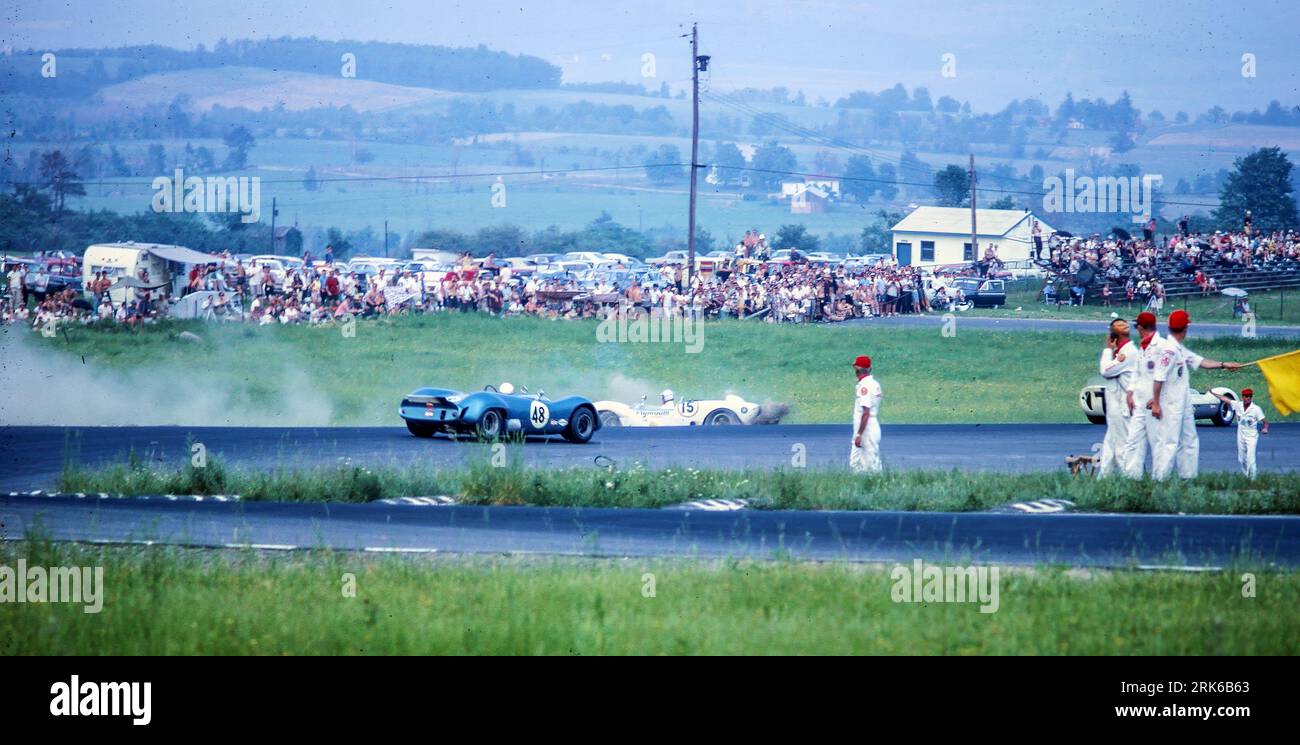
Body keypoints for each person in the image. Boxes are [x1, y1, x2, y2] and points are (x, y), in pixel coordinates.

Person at [1164, 309, 1243, 479]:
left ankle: (1188, 476)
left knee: (1189, 440)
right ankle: (1161, 478)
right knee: (1169, 443)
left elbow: (1201, 362)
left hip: (1183, 403)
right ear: (1185, 328)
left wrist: (1224, 364)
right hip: (1170, 403)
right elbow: (1158, 377)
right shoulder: (1168, 350)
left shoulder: (1178, 349)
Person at [1121, 312, 1177, 479]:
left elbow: (1165, 377)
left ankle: (1161, 479)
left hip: (1155, 404)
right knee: (1133, 441)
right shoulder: (1143, 347)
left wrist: (1157, 401)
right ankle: (1131, 477)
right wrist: (1130, 393)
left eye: (1137, 326)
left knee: (1158, 442)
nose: (1136, 330)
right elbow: (1136, 372)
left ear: (1141, 327)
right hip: (1139, 402)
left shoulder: (1164, 347)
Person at [1098, 319, 1137, 476]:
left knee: (1121, 444)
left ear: (1114, 335)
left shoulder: (1126, 353)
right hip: (1116, 402)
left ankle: (1129, 477)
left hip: (1122, 404)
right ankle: (1105, 477)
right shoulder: (1122, 352)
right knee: (1110, 443)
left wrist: (1107, 350)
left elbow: (1106, 371)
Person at [1212, 388, 1268, 479]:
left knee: (1250, 458)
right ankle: (1246, 476)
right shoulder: (1238, 405)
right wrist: (1212, 393)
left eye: (1250, 396)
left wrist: (1265, 429)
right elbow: (1225, 399)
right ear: (1242, 397)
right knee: (1241, 459)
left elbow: (1265, 422)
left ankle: (1252, 479)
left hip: (1252, 436)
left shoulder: (1256, 409)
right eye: (1246, 396)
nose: (1248, 398)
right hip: (1241, 435)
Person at [850, 354, 883, 473]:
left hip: (866, 429)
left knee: (870, 463)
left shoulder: (865, 386)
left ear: (858, 369)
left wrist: (859, 434)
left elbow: (866, 412)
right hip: (870, 426)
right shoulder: (874, 384)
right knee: (859, 463)